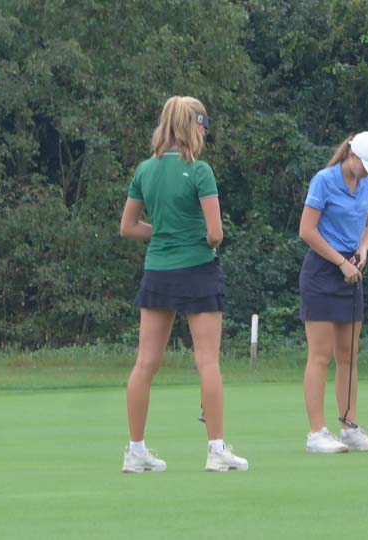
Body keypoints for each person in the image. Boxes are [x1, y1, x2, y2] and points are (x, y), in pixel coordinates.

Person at [119, 96, 248, 472]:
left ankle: (136, 451)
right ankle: (216, 450)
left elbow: (128, 228)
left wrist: (163, 231)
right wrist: (191, 235)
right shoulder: (201, 171)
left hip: (158, 270)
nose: (205, 131)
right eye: (203, 124)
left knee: (145, 363)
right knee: (207, 361)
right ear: (192, 125)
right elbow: (215, 234)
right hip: (197, 271)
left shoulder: (145, 170)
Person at [298, 131, 368, 453]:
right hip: (323, 271)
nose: (366, 171)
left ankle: (349, 427)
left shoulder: (366, 184)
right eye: (364, 164)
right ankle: (316, 433)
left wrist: (363, 251)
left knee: (348, 355)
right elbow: (306, 230)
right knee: (320, 355)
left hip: (351, 270)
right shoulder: (323, 181)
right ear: (351, 154)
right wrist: (340, 263)